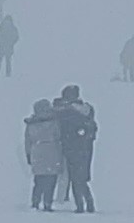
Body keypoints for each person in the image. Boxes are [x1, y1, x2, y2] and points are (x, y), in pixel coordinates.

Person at [56, 84, 99, 213]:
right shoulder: (86, 111)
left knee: (74, 177)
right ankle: (88, 202)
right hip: (84, 149)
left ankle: (81, 205)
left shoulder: (64, 111)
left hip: (70, 148)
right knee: (80, 177)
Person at [25, 99, 64, 211]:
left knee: (39, 180)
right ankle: (48, 202)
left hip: (37, 153)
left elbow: (27, 141)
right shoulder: (55, 122)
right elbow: (58, 135)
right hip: (53, 152)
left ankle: (35, 201)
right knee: (51, 181)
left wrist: (28, 155)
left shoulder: (31, 124)